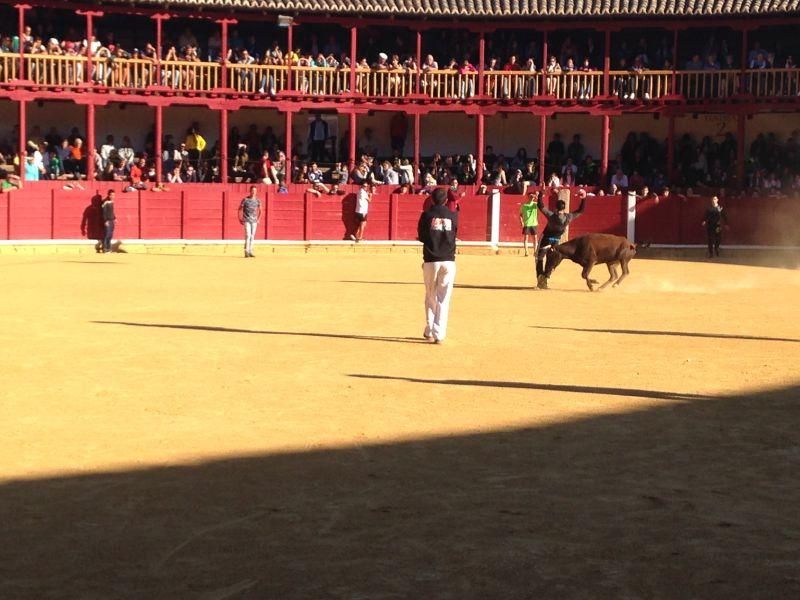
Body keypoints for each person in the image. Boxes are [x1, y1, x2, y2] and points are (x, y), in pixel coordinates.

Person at [418, 187, 458, 344]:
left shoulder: (426, 215)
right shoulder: (453, 216)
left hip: (430, 260)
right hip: (448, 260)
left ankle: (430, 329)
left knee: (430, 295)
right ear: (446, 200)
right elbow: (455, 233)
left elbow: (421, 237)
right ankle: (438, 333)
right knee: (443, 298)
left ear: (432, 200)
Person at [535, 189, 587, 289]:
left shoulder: (551, 216)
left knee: (539, 258)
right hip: (556, 241)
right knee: (551, 259)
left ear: (555, 208)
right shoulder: (568, 217)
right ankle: (546, 278)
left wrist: (541, 194)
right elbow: (580, 210)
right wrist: (584, 198)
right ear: (564, 208)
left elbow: (540, 206)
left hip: (546, 239)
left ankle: (540, 279)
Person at [238, 185, 261, 258]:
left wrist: (259, 218)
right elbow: (240, 209)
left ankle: (250, 251)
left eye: (255, 191)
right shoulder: (245, 200)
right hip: (246, 219)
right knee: (248, 235)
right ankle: (246, 251)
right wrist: (240, 218)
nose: (254, 192)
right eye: (252, 191)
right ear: (250, 191)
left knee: (252, 236)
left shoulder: (258, 200)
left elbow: (260, 210)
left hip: (254, 220)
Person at [519, 192, 539, 257]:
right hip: (527, 223)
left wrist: (536, 197)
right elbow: (520, 215)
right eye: (530, 197)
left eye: (532, 197)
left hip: (534, 223)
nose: (531, 198)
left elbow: (541, 203)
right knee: (526, 238)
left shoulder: (535, 205)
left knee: (535, 238)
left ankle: (535, 251)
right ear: (527, 197)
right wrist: (521, 222)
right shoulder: (524, 205)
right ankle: (526, 252)